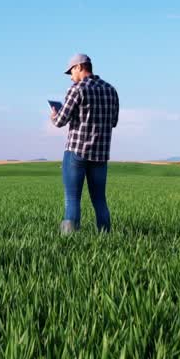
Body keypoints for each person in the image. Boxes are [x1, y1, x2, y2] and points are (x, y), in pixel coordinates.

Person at [50, 53, 119, 234]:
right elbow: (113, 121)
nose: (71, 76)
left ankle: (69, 240)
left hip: (76, 152)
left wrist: (54, 114)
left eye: (71, 71)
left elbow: (60, 122)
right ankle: (105, 236)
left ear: (80, 67)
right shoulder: (111, 90)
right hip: (100, 154)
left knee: (72, 199)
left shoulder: (77, 89)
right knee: (99, 200)